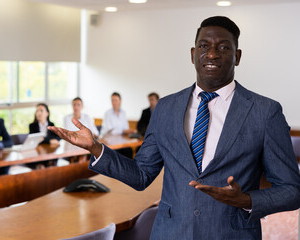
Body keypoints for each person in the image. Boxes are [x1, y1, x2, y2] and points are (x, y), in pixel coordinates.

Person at [49, 16, 300, 239]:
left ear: (237, 56)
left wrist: (246, 200)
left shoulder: (265, 112)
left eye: (223, 47)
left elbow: (291, 190)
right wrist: (96, 148)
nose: (212, 54)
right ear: (193, 54)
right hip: (170, 232)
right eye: (204, 46)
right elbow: (141, 175)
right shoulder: (166, 108)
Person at [28, 103, 61, 169]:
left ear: (47, 113)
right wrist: (49, 140)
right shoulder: (32, 126)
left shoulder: (51, 124)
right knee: (40, 166)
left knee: (52, 163)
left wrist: (46, 139)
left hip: (49, 153)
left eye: (41, 110)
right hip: (37, 154)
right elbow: (35, 140)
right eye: (37, 111)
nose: (39, 113)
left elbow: (58, 136)